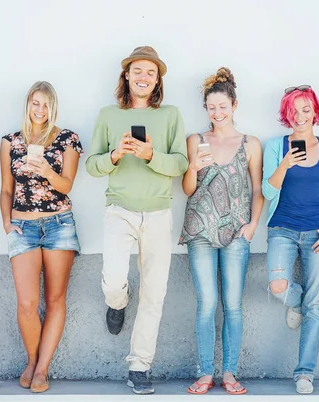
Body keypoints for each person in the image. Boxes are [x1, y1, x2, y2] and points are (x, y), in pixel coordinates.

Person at [85, 46, 188, 394]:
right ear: (126, 75)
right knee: (114, 281)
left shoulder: (171, 115)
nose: (144, 77)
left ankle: (139, 366)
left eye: (151, 72)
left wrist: (150, 155)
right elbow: (92, 165)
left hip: (158, 213)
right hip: (120, 211)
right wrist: (115, 155)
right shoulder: (108, 115)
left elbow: (180, 164)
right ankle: (117, 302)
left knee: (154, 294)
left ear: (157, 79)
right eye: (138, 71)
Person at [180, 67, 264, 395]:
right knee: (206, 303)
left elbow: (258, 189)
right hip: (200, 231)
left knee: (233, 304)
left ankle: (229, 372)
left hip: (236, 234)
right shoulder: (196, 141)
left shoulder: (251, 144)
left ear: (234, 105)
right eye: (211, 108)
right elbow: (188, 189)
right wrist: (193, 168)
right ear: (206, 109)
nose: (217, 113)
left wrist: (252, 225)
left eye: (223, 106)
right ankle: (204, 372)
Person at [262, 85, 319, 394]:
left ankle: (305, 373)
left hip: (317, 233)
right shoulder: (275, 146)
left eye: (306, 109)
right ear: (287, 114)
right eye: (294, 111)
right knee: (278, 285)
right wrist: (285, 163)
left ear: (315, 112)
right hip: (281, 229)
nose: (300, 116)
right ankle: (294, 302)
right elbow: (267, 192)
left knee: (316, 304)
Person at [0, 81, 83, 393]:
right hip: (24, 227)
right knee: (27, 302)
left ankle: (42, 369)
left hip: (59, 224)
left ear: (53, 107)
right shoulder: (10, 141)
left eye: (46, 104)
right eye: (36, 103)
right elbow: (7, 188)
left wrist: (46, 170)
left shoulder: (67, 139)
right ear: (28, 104)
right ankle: (32, 359)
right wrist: (7, 224)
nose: (40, 110)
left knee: (55, 299)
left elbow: (66, 185)